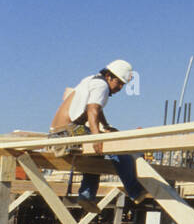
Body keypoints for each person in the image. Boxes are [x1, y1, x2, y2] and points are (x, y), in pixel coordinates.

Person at [50, 60, 147, 202]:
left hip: (59, 132)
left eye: (122, 84)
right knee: (117, 147)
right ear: (109, 76)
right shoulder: (101, 86)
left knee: (96, 155)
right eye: (118, 82)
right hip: (67, 131)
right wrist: (96, 138)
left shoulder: (92, 80)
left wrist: (106, 126)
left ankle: (86, 196)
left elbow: (96, 108)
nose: (120, 87)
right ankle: (135, 191)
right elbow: (93, 109)